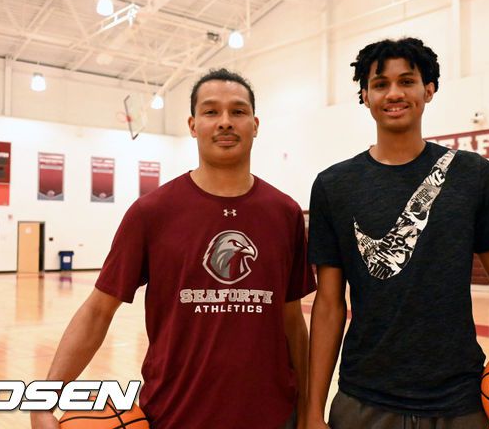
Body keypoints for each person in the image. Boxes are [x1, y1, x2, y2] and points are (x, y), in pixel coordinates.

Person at [305, 38, 489, 429]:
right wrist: (312, 411)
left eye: (407, 81)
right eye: (380, 84)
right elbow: (329, 305)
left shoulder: (472, 174)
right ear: (364, 95)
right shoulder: (334, 185)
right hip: (364, 399)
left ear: (429, 89)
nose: (393, 93)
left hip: (459, 402)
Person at [31, 68, 315, 429]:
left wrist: (308, 410)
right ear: (193, 125)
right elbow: (98, 311)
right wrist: (44, 401)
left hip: (273, 418)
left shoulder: (285, 213)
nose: (225, 121)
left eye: (238, 111)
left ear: (255, 125)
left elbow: (292, 321)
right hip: (174, 416)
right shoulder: (152, 212)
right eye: (211, 111)